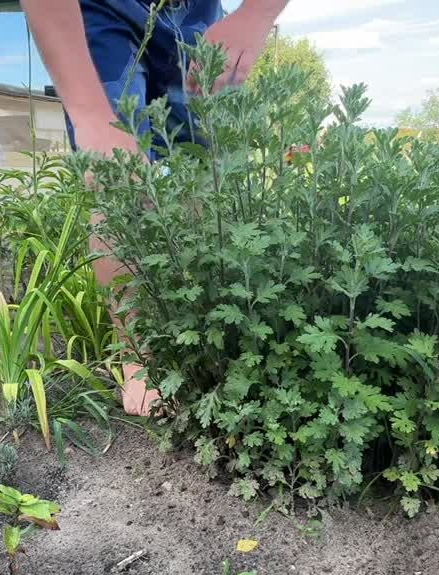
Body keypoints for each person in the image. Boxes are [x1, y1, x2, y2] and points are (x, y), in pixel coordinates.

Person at [20, 0, 289, 415]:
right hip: (99, 8)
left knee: (204, 170)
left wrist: (256, 13)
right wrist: (90, 113)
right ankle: (139, 358)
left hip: (196, 8)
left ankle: (201, 331)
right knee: (118, 178)